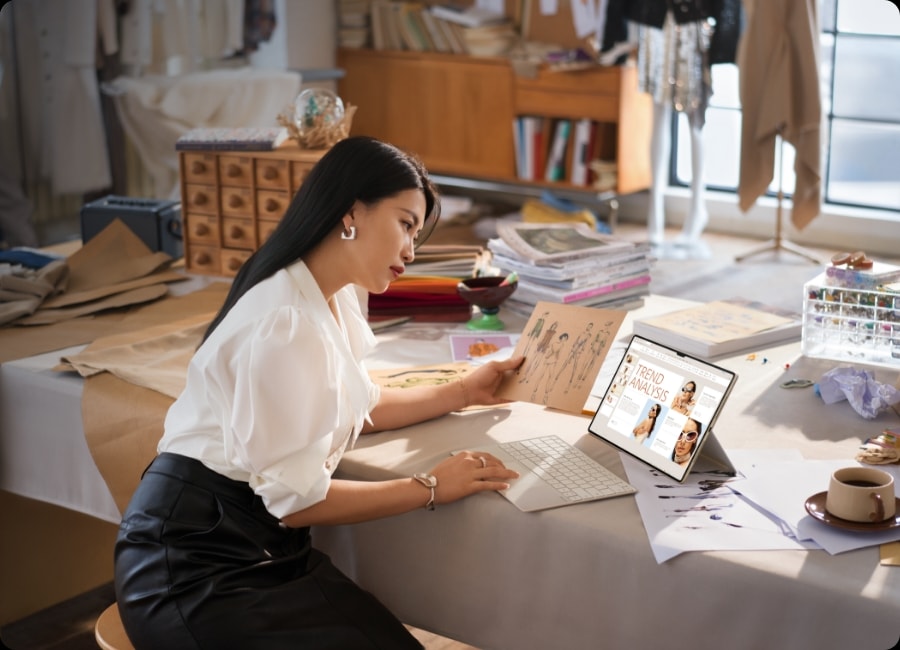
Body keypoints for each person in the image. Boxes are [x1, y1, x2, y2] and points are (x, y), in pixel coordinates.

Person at [113, 136, 524, 650]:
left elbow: (357, 404)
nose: (411, 251)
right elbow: (295, 502)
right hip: (192, 568)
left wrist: (463, 391)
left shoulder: (329, 294)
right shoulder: (285, 321)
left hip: (258, 549)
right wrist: (432, 486)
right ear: (351, 212)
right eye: (405, 224)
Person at [626, 0, 741, 259]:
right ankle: (654, 212)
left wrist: (725, 39)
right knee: (657, 118)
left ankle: (697, 209)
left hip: (693, 25)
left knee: (695, 122)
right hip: (654, 25)